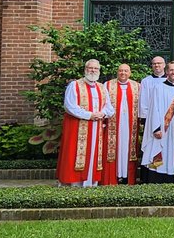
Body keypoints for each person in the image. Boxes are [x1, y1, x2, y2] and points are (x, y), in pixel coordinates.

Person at [57, 59, 114, 187]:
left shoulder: (102, 87)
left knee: (93, 154)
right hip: (77, 127)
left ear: (99, 71)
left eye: (96, 68)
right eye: (90, 68)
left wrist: (102, 113)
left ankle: (91, 183)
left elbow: (109, 107)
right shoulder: (75, 85)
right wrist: (89, 115)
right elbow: (69, 106)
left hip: (96, 127)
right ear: (85, 69)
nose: (93, 70)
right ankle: (74, 184)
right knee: (73, 155)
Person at [142, 61, 174, 183]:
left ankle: (171, 180)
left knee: (171, 154)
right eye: (171, 70)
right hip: (161, 127)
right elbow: (154, 108)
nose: (173, 72)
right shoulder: (159, 87)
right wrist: (156, 128)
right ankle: (157, 180)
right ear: (167, 72)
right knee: (159, 150)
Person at [102, 63, 140, 185]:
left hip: (131, 124)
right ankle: (113, 177)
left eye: (126, 71)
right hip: (113, 124)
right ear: (117, 72)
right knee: (114, 148)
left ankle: (126, 178)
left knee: (128, 148)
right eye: (120, 71)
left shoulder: (137, 86)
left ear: (130, 73)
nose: (123, 73)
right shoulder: (107, 85)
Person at [138, 55, 166, 164]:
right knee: (151, 145)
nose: (157, 65)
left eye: (159, 63)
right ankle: (151, 169)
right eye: (154, 63)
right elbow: (143, 101)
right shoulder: (146, 81)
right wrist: (145, 120)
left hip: (167, 120)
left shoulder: (170, 81)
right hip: (151, 120)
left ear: (164, 65)